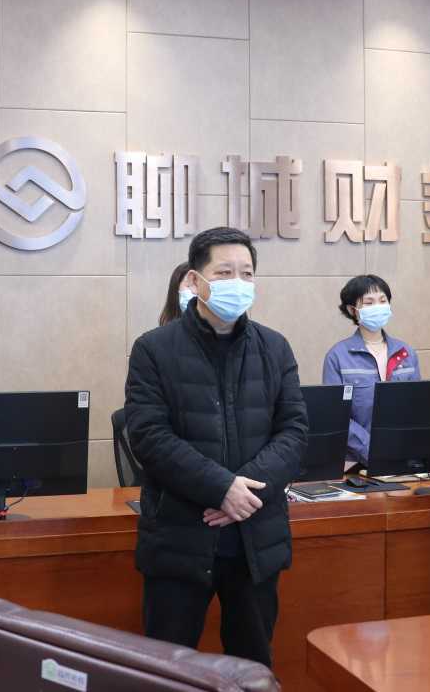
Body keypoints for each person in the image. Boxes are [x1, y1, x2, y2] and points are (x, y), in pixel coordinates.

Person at [125, 226, 308, 669]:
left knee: (253, 665)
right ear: (195, 280)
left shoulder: (274, 347)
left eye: (247, 273)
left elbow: (294, 430)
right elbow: (149, 435)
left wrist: (244, 494)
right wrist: (221, 488)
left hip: (254, 540)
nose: (237, 283)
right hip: (179, 538)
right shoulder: (154, 349)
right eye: (225, 272)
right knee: (167, 669)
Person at [321, 274, 421, 468]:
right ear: (352, 310)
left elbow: (417, 408)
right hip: (355, 463)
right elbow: (337, 416)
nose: (378, 307)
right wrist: (373, 451)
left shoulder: (406, 352)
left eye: (383, 301)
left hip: (404, 459)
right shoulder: (338, 356)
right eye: (369, 303)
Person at [157, 260, 197, 326]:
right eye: (189, 286)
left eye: (198, 286)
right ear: (176, 288)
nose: (195, 291)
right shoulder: (166, 330)